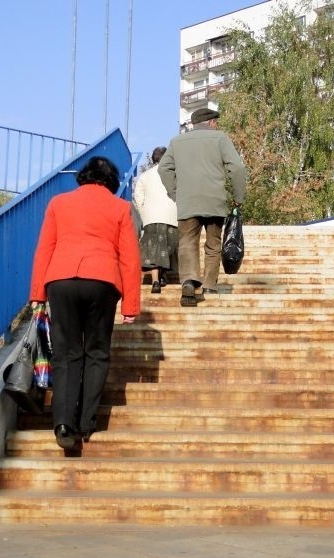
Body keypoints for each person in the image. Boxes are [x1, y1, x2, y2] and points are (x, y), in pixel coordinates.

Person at [29, 156, 141, 450]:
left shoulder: (58, 203)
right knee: (96, 351)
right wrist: (131, 305)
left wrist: (37, 295)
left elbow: (45, 249)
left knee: (66, 353)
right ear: (112, 181)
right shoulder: (120, 207)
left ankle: (63, 424)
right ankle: (86, 422)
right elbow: (129, 259)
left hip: (61, 280)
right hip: (102, 282)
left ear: (84, 177)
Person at [158, 107, 246, 307]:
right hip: (215, 200)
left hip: (188, 201)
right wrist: (238, 197)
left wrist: (175, 192)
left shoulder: (177, 142)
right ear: (212, 122)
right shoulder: (220, 139)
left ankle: (188, 280)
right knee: (213, 245)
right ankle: (209, 286)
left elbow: (164, 168)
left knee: (187, 242)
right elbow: (237, 167)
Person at [132, 146, 178, 294]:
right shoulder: (174, 175)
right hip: (171, 217)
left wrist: (144, 211)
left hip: (151, 218)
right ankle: (163, 275)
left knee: (153, 249)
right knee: (167, 248)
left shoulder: (145, 175)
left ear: (154, 159)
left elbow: (138, 196)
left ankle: (155, 281)